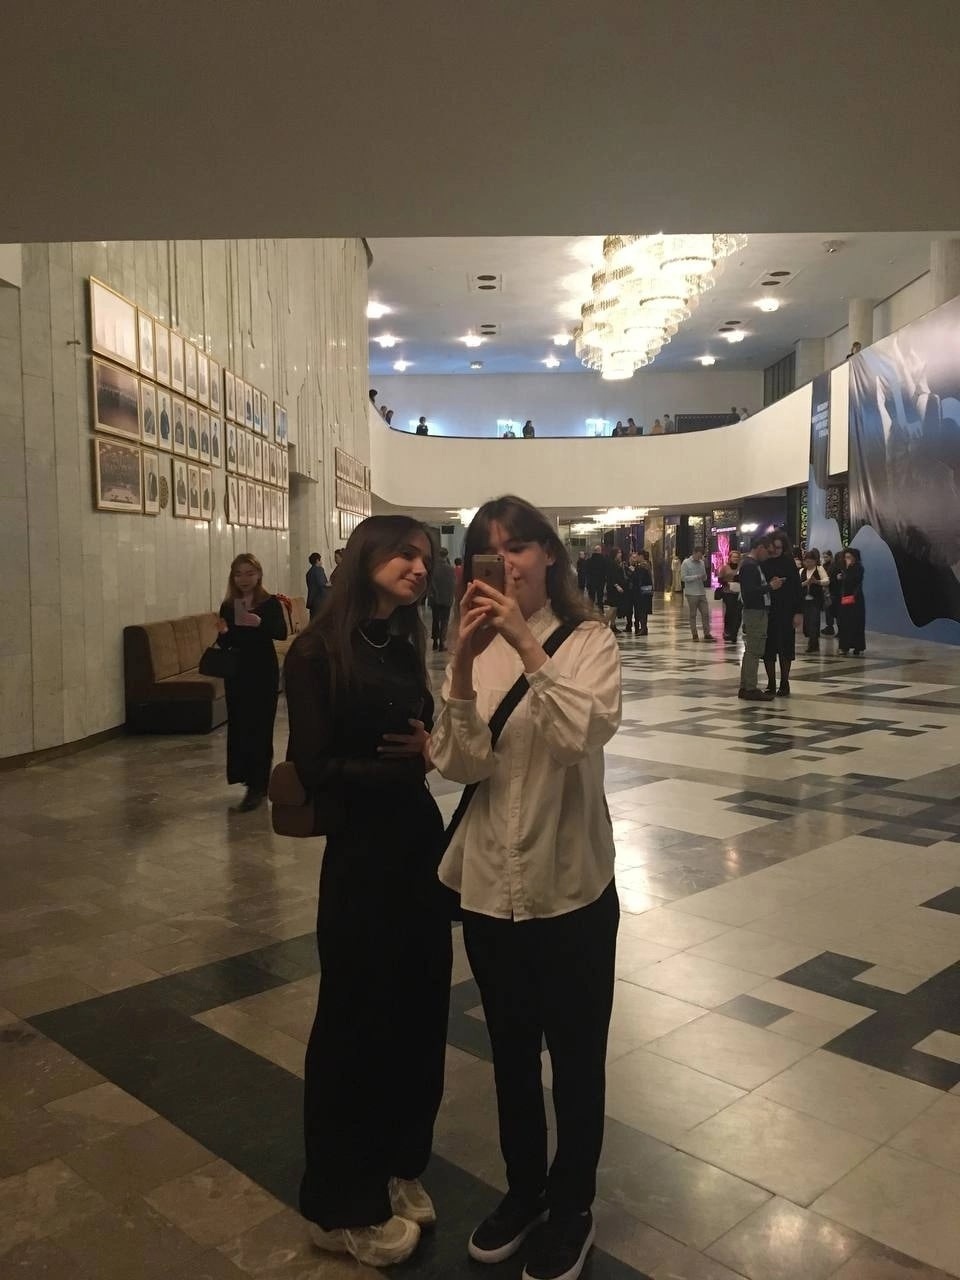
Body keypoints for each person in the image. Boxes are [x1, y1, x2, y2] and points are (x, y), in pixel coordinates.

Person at [430, 495, 621, 1280]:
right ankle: (524, 1191)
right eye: (488, 550)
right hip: (490, 892)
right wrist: (463, 663)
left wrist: (523, 643)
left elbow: (578, 735)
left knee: (575, 1059)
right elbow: (458, 762)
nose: (504, 563)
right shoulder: (473, 650)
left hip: (570, 887)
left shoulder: (592, 641)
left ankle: (572, 1205)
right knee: (510, 1055)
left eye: (517, 547)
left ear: (549, 554)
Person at [284, 516, 452, 1268]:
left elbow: (425, 723)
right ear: (366, 558)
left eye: (426, 557)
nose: (419, 567)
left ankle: (397, 1163)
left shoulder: (403, 641)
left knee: (420, 1009)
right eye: (405, 554)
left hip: (417, 843)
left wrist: (428, 745)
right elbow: (312, 765)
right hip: (361, 852)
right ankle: (338, 1205)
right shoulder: (317, 651)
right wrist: (397, 769)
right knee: (355, 1020)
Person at [216, 554, 287, 811]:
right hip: (237, 673)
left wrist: (260, 623)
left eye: (249, 573)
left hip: (262, 671)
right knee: (240, 727)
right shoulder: (229, 605)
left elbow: (281, 632)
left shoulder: (269, 603)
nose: (244, 579)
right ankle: (247, 779)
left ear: (258, 575)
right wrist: (224, 632)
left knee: (260, 728)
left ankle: (259, 785)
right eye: (238, 574)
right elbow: (226, 642)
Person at [763, 529, 803, 696]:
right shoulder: (764, 562)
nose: (775, 551)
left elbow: (797, 588)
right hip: (768, 611)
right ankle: (771, 683)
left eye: (779, 548)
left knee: (785, 648)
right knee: (768, 649)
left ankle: (784, 683)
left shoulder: (788, 562)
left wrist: (798, 612)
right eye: (773, 547)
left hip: (786, 610)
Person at [738, 537, 774, 701]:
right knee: (754, 650)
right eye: (768, 551)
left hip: (756, 611)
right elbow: (750, 592)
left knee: (751, 651)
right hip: (755, 612)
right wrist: (770, 587)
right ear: (760, 548)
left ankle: (746, 686)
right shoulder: (749, 566)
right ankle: (750, 688)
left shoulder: (752, 565)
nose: (768, 556)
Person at [836, 547, 866, 655]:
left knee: (856, 623)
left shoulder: (859, 568)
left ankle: (858, 646)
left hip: (856, 600)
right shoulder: (844, 568)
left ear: (854, 558)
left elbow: (853, 580)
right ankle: (844, 646)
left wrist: (847, 571)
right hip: (845, 599)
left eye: (849, 557)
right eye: (845, 557)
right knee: (844, 623)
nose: (847, 559)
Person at [800, 550, 830, 653]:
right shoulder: (801, 571)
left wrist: (816, 582)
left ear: (815, 561)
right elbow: (797, 585)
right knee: (807, 623)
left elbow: (827, 580)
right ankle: (813, 642)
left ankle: (812, 645)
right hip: (805, 600)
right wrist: (805, 583)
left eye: (811, 561)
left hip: (815, 600)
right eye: (806, 561)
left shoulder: (819, 569)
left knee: (814, 622)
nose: (808, 564)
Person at [680, 547, 713, 640]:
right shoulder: (686, 563)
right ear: (694, 553)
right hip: (691, 593)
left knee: (705, 613)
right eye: (698, 556)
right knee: (693, 614)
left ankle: (707, 633)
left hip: (701, 592)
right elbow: (683, 578)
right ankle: (694, 634)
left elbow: (704, 577)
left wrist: (704, 577)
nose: (699, 558)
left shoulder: (701, 563)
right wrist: (696, 577)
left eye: (701, 556)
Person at [428, 546, 456, 651]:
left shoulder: (432, 568)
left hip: (435, 599)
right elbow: (453, 585)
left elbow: (430, 583)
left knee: (435, 620)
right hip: (446, 599)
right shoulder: (450, 569)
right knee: (444, 621)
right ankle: (442, 643)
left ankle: (435, 641)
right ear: (446, 555)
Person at [718, 549, 743, 642]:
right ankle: (727, 631)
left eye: (737, 557)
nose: (735, 558)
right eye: (734, 557)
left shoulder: (741, 568)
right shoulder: (725, 568)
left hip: (739, 592)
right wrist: (727, 583)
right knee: (730, 611)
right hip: (728, 592)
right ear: (730, 558)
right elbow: (720, 579)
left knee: (738, 613)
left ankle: (734, 632)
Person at [627, 551, 653, 635]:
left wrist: (633, 571)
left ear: (641, 556)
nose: (636, 558)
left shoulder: (643, 566)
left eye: (637, 556)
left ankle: (643, 628)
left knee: (642, 608)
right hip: (646, 588)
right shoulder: (645, 565)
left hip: (643, 589)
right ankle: (643, 627)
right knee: (643, 608)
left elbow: (639, 578)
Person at [604, 547, 627, 634]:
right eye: (619, 553)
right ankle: (604, 624)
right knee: (612, 607)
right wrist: (617, 585)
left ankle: (613, 625)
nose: (620, 554)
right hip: (613, 588)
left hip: (617, 588)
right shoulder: (611, 563)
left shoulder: (617, 563)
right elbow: (611, 576)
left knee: (615, 607)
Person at [306, 552, 329, 620]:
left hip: (312, 601)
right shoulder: (319, 569)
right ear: (317, 560)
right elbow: (323, 584)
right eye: (320, 560)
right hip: (321, 601)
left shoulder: (309, 573)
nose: (321, 562)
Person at [821, 551, 839, 636]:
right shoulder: (825, 566)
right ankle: (830, 627)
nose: (825, 559)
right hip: (828, 591)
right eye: (824, 557)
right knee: (828, 610)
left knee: (831, 610)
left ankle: (831, 627)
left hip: (832, 591)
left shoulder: (833, 566)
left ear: (831, 557)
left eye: (826, 557)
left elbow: (830, 579)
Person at [585, 545, 607, 611]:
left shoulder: (589, 560)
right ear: (600, 551)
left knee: (591, 598)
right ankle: (601, 611)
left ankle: (590, 611)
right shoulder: (604, 560)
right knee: (600, 597)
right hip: (601, 581)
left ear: (594, 551)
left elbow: (587, 571)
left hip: (592, 581)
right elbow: (605, 571)